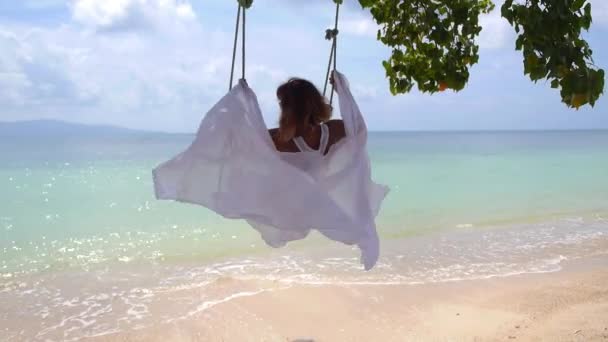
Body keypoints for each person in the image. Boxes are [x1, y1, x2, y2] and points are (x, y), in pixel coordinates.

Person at [269, 77, 345, 155]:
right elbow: (356, 125)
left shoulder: (276, 141)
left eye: (281, 102)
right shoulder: (338, 129)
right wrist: (343, 90)